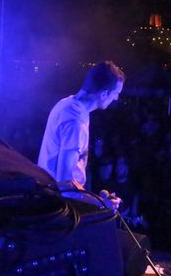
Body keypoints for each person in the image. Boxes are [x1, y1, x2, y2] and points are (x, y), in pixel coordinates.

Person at [37, 60, 124, 190]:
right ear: (104, 94)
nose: (116, 98)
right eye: (116, 93)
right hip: (57, 198)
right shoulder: (75, 122)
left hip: (49, 191)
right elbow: (64, 183)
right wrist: (98, 200)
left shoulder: (66, 103)